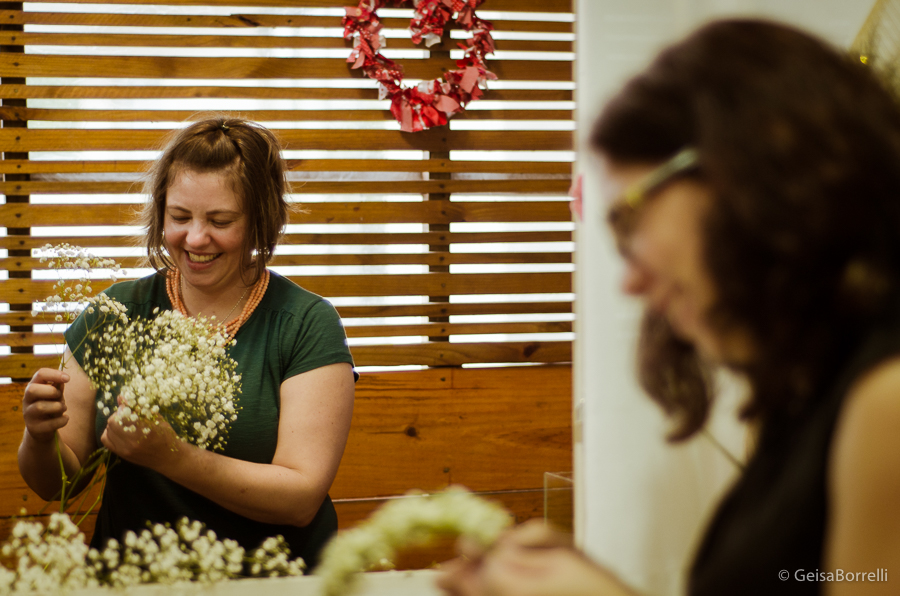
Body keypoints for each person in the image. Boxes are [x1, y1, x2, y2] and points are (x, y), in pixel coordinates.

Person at [439, 18, 900, 596]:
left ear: (745, 176)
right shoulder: (804, 398)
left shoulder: (887, 400)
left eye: (630, 219)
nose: (630, 281)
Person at [18, 117, 356, 570]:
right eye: (179, 217)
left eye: (221, 221)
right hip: (133, 579)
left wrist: (172, 456)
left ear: (261, 219)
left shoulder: (305, 323)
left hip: (274, 579)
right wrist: (40, 437)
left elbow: (298, 500)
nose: (196, 239)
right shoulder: (113, 314)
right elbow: (60, 483)